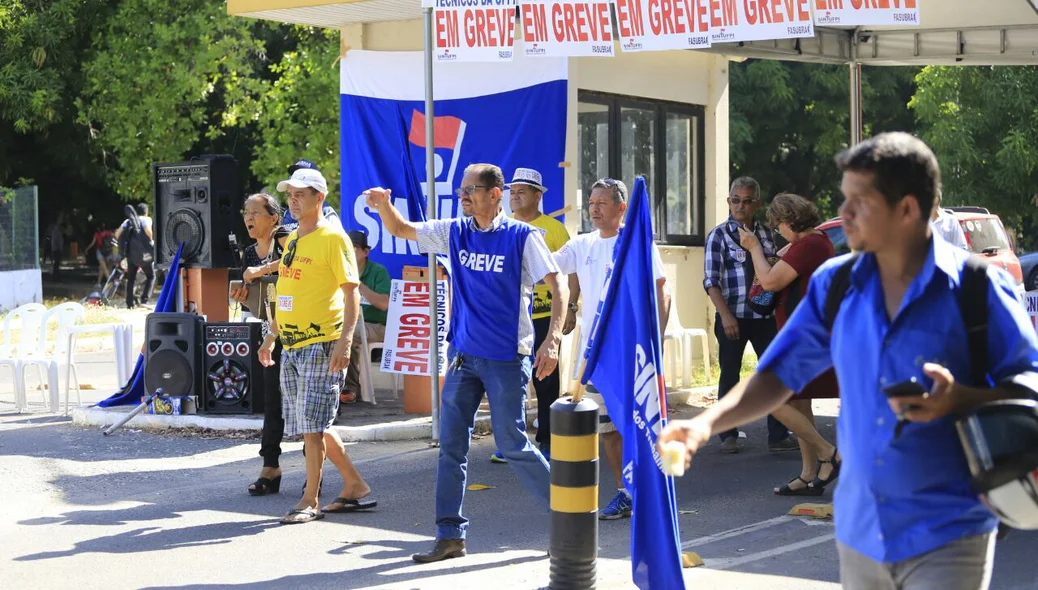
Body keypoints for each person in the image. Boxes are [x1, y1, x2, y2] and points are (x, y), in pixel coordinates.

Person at [660, 132, 1038, 590]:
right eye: (845, 199)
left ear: (907, 209)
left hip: (950, 529)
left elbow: (1028, 385)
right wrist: (705, 424)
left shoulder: (978, 289)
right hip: (861, 534)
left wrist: (962, 399)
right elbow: (778, 373)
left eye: (860, 202)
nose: (844, 214)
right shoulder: (835, 285)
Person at [363, 163, 567, 563]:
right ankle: (450, 535)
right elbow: (403, 229)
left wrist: (553, 339)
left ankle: (570, 517)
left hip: (508, 357)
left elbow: (556, 284)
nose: (463, 197)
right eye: (461, 190)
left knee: (513, 444)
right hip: (463, 357)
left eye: (471, 189)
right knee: (450, 447)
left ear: (496, 193)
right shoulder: (454, 230)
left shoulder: (523, 236)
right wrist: (384, 206)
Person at [258, 167, 377, 524]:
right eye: (290, 194)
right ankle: (355, 485)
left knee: (312, 427)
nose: (293, 200)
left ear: (319, 197)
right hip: (292, 345)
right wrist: (271, 335)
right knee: (316, 424)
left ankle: (310, 500)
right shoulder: (294, 238)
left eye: (301, 194)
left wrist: (343, 343)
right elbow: (289, 292)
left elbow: (351, 293)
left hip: (320, 343)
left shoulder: (333, 237)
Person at [555, 177, 671, 520]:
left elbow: (662, 291)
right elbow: (547, 266)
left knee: (637, 425)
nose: (594, 208)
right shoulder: (583, 245)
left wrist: (657, 342)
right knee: (607, 430)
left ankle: (650, 490)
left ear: (622, 208)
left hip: (632, 354)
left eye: (602, 202)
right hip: (596, 356)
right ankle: (625, 493)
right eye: (591, 202)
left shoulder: (636, 245)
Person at [737, 193, 841, 496]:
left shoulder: (810, 245)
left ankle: (828, 453)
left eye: (779, 224)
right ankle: (809, 475)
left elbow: (769, 282)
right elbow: (784, 260)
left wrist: (755, 247)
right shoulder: (814, 242)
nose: (778, 230)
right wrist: (780, 249)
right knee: (797, 401)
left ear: (790, 221)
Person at [703, 177, 794, 453]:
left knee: (773, 373)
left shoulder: (766, 234)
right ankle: (727, 433)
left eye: (746, 200)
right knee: (729, 374)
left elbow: (774, 269)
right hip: (733, 316)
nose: (739, 206)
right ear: (728, 201)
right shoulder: (718, 235)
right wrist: (726, 316)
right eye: (735, 200)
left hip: (764, 318)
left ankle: (778, 436)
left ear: (757, 203)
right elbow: (710, 280)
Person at [488, 167, 570, 463]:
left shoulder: (554, 229)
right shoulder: (503, 227)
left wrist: (570, 309)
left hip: (546, 314)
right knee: (511, 380)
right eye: (513, 191)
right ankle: (513, 442)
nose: (516, 196)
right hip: (511, 316)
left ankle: (547, 439)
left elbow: (569, 274)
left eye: (523, 191)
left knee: (546, 379)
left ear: (538, 196)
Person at [231, 193, 291, 497]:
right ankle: (270, 466)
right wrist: (244, 295)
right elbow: (259, 298)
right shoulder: (249, 253)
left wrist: (261, 271)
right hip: (269, 331)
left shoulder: (286, 238)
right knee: (271, 400)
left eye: (256, 212)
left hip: (296, 330)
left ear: (275, 218)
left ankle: (313, 473)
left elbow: (295, 265)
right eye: (246, 212)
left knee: (300, 401)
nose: (249, 218)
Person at [341, 229, 391, 406]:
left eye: (353, 248)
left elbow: (384, 304)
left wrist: (358, 285)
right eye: (345, 249)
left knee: (347, 333)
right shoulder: (339, 271)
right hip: (350, 324)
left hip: (378, 327)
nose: (349, 253)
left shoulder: (378, 271)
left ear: (365, 252)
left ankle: (351, 387)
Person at [281, 159, 343, 231]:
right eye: (294, 173)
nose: (297, 176)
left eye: (299, 194)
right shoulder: (290, 211)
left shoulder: (326, 211)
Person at [114, 203, 155, 308]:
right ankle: (144, 300)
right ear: (146, 212)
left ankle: (130, 304)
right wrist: (151, 241)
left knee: (131, 278)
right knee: (151, 276)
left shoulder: (128, 221)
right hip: (144, 254)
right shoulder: (146, 219)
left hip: (130, 254)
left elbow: (117, 234)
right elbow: (148, 231)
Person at [84, 223, 116, 287]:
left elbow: (93, 243)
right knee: (101, 268)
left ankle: (110, 282)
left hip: (100, 251)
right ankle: (98, 283)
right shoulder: (108, 233)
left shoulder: (97, 234)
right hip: (108, 251)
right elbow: (115, 237)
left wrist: (87, 249)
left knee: (104, 268)